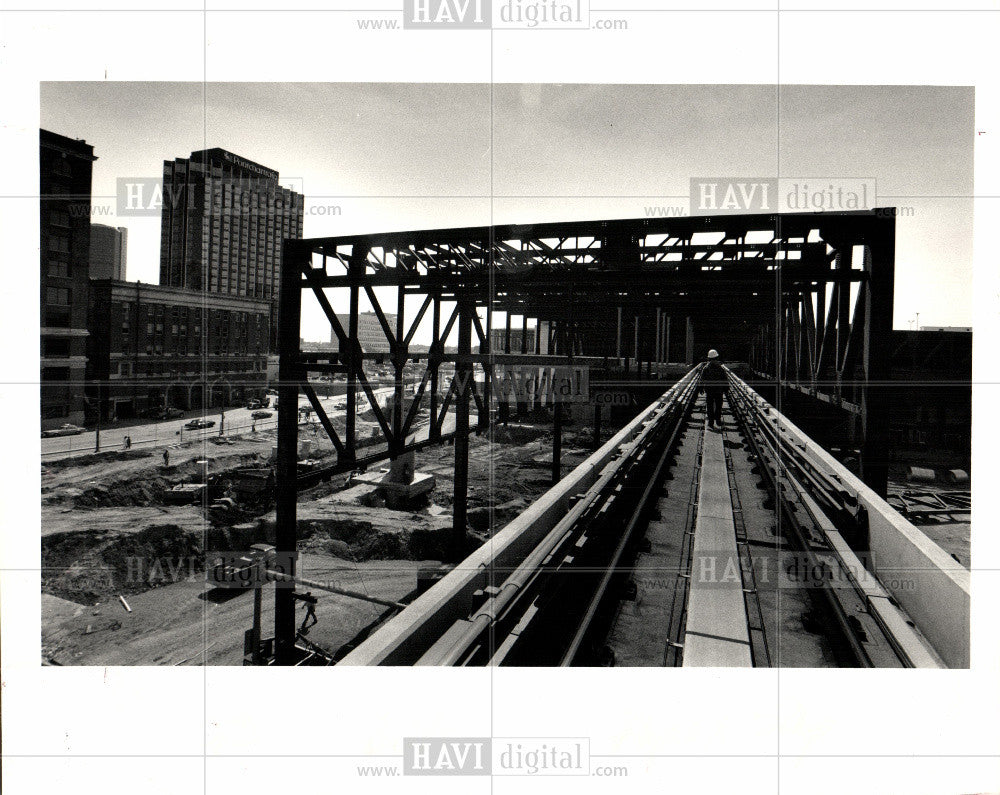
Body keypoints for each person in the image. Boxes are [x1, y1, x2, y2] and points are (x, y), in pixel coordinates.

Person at [703, 349, 726, 430]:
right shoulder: (720, 368)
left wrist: (701, 388)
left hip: (709, 390)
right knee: (719, 405)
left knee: (709, 406)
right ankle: (718, 421)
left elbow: (702, 379)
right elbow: (725, 379)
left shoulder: (706, 367)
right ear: (717, 357)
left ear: (709, 358)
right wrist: (726, 389)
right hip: (719, 390)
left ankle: (710, 422)